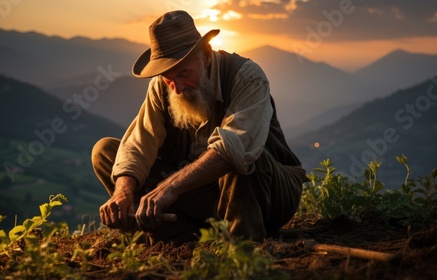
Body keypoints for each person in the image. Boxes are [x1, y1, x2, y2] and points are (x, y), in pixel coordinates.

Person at [92, 10, 307, 243]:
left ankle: (242, 247)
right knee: (106, 152)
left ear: (205, 55)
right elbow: (138, 143)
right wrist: (123, 191)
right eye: (168, 78)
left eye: (184, 72)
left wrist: (171, 187)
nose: (178, 87)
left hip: (267, 194)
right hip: (203, 200)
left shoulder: (246, 76)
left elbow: (235, 147)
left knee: (240, 159)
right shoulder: (162, 86)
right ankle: (183, 235)